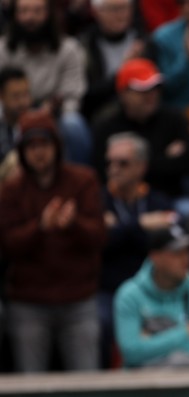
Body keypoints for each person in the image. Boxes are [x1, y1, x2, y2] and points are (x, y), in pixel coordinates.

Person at [0, 110, 106, 372]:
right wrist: (41, 227)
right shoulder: (10, 191)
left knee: (87, 385)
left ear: (57, 146)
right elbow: (6, 245)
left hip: (78, 299)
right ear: (21, 151)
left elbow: (99, 237)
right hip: (29, 302)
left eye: (44, 144)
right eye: (31, 146)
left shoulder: (83, 181)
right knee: (31, 385)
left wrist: (74, 224)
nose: (39, 152)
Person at [99, 131, 177, 368]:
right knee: (99, 322)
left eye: (123, 163)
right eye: (109, 162)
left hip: (154, 290)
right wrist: (141, 225)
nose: (114, 169)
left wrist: (120, 230)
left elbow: (163, 244)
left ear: (141, 167)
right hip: (109, 288)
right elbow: (103, 243)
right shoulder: (97, 200)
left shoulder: (158, 201)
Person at [91, 58, 189, 215]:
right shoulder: (106, 125)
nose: (151, 95)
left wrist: (134, 165)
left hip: (169, 198)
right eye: (143, 90)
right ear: (123, 93)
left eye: (155, 88)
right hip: (120, 202)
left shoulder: (174, 119)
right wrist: (163, 159)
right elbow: (103, 172)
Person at [114, 225, 189, 368]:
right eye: (177, 253)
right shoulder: (129, 294)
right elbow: (131, 352)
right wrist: (186, 332)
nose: (186, 259)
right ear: (155, 257)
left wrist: (152, 345)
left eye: (187, 252)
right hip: (142, 387)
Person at [0, 0, 93, 165]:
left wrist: (48, 112)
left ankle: (75, 178)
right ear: (15, 15)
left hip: (53, 114)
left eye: (37, 11)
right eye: (24, 11)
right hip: (10, 114)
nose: (30, 18)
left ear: (49, 14)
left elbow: (73, 96)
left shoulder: (69, 49)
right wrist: (14, 112)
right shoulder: (3, 49)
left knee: (73, 124)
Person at [80, 0, 147, 124]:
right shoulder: (85, 45)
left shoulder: (143, 41)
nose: (121, 15)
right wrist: (123, 71)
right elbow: (87, 95)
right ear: (96, 12)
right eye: (114, 9)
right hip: (101, 115)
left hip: (144, 111)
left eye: (125, 8)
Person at [0, 67, 33, 166]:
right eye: (16, 96)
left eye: (26, 94)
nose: (23, 102)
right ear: (1, 95)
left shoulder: (36, 121)